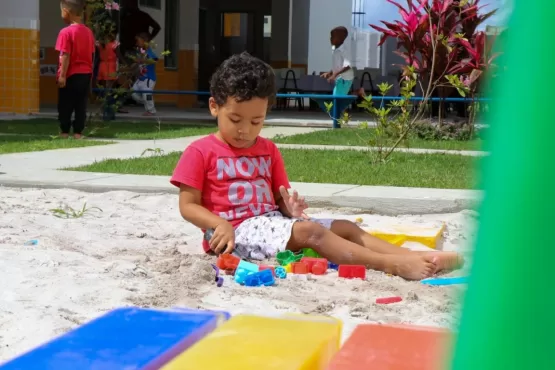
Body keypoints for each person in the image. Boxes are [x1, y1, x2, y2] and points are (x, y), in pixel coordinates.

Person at [169, 52, 464, 281]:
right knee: (313, 233)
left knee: (345, 226)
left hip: (273, 224)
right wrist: (218, 224)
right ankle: (393, 264)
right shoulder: (200, 151)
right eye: (236, 120)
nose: (245, 129)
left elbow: (279, 204)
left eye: (256, 121)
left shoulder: (269, 150)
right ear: (214, 107)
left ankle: (416, 255)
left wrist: (290, 209)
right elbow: (188, 205)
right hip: (236, 234)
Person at [56, 0, 95, 139]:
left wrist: (62, 75)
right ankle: (78, 132)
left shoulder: (65, 32)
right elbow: (91, 55)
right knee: (80, 104)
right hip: (85, 74)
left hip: (70, 74)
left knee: (65, 103)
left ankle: (64, 131)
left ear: (66, 11)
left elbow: (65, 55)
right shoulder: (89, 32)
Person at [318, 26, 355, 117]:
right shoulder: (335, 50)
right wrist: (329, 73)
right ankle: (339, 119)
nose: (330, 39)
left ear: (341, 38)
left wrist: (335, 74)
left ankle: (337, 121)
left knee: (337, 101)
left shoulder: (344, 50)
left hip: (345, 79)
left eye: (333, 36)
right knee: (337, 100)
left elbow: (348, 65)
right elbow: (337, 66)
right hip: (340, 79)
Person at [131, 32, 158, 116]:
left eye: (138, 41)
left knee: (147, 93)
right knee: (133, 94)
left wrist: (142, 60)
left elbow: (155, 60)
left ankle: (151, 110)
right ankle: (149, 101)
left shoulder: (148, 52)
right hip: (140, 78)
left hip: (148, 78)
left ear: (144, 41)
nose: (137, 43)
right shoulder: (140, 52)